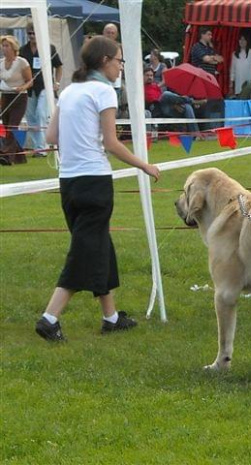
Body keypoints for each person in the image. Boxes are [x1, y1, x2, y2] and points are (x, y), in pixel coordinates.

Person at [35, 36, 160, 342]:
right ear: (105, 61)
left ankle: (111, 317)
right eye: (119, 60)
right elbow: (112, 143)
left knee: (99, 245)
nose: (120, 67)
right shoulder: (104, 91)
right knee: (85, 251)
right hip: (94, 182)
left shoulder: (69, 92)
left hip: (69, 183)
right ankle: (50, 318)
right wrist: (144, 165)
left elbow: (51, 136)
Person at [20, 24, 63, 158]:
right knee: (31, 118)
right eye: (29, 33)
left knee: (41, 114)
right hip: (29, 87)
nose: (32, 36)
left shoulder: (49, 48)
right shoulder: (23, 50)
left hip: (45, 86)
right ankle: (38, 147)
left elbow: (59, 66)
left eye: (34, 33)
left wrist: (56, 82)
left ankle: (43, 148)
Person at [0, 35, 33, 166]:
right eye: (3, 46)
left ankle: (6, 156)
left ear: (13, 48)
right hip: (5, 96)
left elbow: (30, 81)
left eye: (7, 46)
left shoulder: (22, 62)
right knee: (6, 124)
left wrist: (22, 87)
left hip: (19, 97)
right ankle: (20, 157)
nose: (4, 48)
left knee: (12, 126)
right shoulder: (1, 63)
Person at [143, 67, 202, 135]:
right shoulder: (141, 87)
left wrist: (174, 104)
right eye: (147, 75)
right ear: (143, 76)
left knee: (187, 106)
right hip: (155, 108)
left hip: (166, 106)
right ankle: (192, 101)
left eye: (151, 75)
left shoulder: (155, 86)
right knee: (165, 94)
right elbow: (154, 99)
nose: (149, 77)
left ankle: (196, 133)